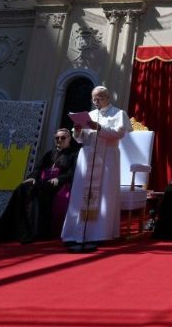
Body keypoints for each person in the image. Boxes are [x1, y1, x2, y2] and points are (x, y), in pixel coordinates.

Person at [62, 85, 131, 252]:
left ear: (107, 97)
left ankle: (99, 233)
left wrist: (98, 128)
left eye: (99, 98)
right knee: (81, 194)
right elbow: (79, 139)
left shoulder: (118, 113)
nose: (96, 101)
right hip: (87, 157)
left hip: (107, 157)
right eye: (94, 98)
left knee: (104, 194)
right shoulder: (89, 115)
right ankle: (76, 233)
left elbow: (119, 133)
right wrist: (78, 131)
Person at [0, 128, 80, 243]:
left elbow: (73, 171)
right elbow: (38, 168)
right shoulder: (49, 154)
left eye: (63, 138)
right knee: (21, 189)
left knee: (36, 192)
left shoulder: (74, 154)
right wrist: (32, 177)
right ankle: (5, 231)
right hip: (43, 181)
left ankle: (34, 232)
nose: (59, 140)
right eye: (57, 138)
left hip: (59, 184)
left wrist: (59, 178)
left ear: (69, 139)